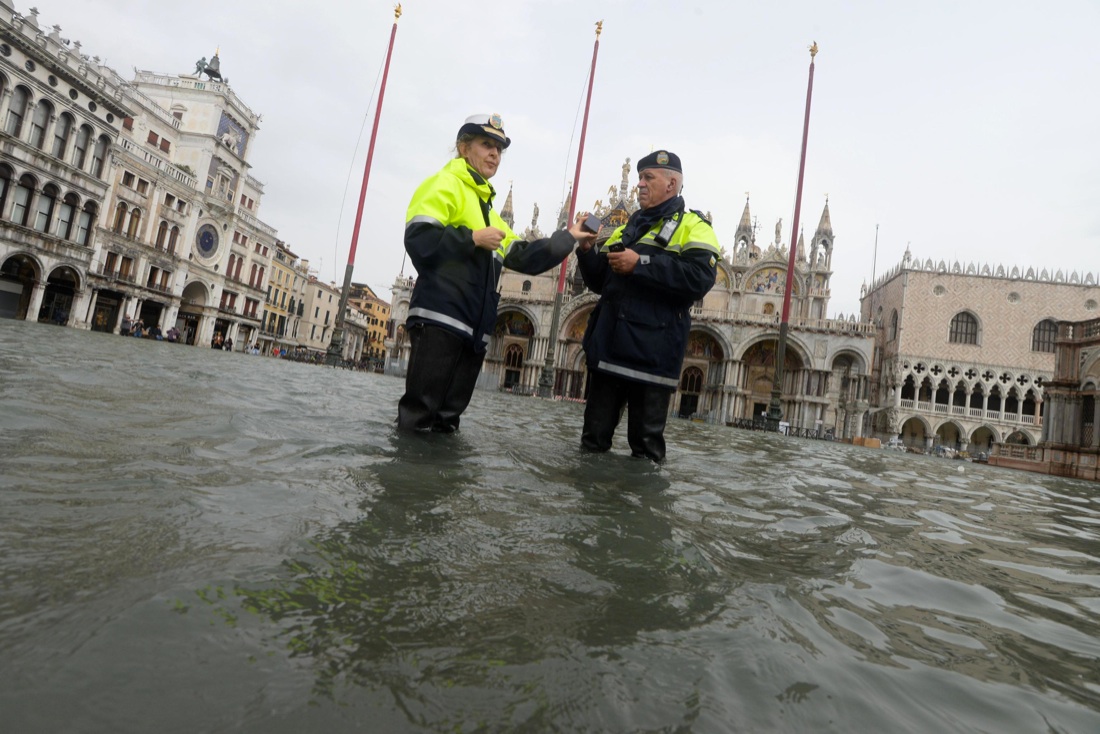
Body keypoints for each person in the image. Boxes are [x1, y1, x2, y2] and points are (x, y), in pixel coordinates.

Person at [398, 113, 597, 433]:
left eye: (499, 149)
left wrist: (570, 237)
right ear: (464, 148)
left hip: (474, 330)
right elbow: (419, 240)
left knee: (448, 422)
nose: (494, 154)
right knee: (419, 415)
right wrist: (472, 239)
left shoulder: (488, 209)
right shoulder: (444, 184)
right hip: (440, 319)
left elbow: (525, 256)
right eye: (486, 145)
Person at [574, 150, 720, 461]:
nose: (640, 184)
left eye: (647, 177)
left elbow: (699, 279)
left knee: (646, 451)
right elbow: (603, 283)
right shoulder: (631, 225)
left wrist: (640, 262)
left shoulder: (695, 226)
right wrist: (587, 250)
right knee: (593, 443)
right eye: (639, 177)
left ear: (671, 184)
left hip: (652, 356)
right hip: (610, 351)